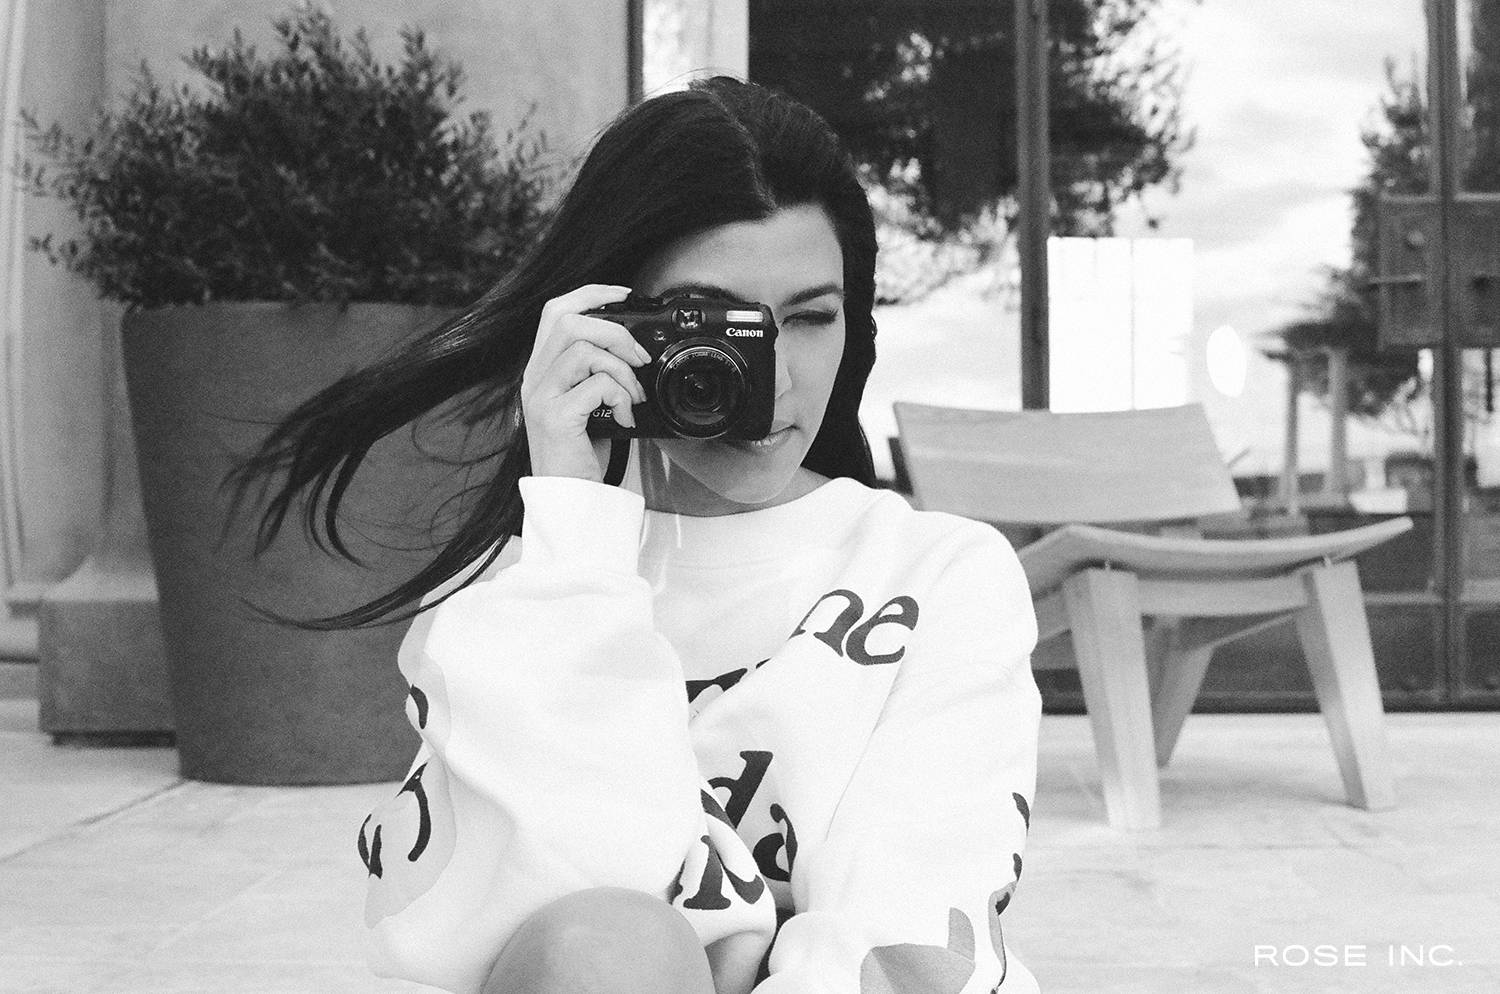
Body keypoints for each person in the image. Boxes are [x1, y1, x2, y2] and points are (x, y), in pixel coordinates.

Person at [239, 76, 1041, 994]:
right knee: (606, 944)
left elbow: (906, 937)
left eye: (810, 318)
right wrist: (572, 526)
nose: (771, 379)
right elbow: (481, 924)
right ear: (612, 323)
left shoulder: (942, 576)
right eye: (713, 327)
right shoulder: (524, 583)